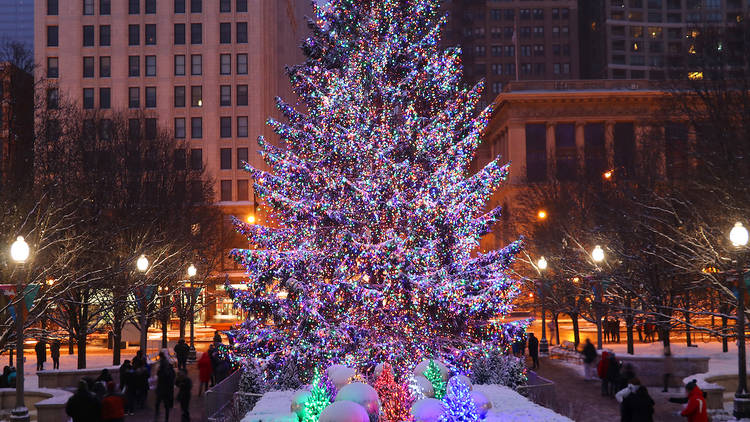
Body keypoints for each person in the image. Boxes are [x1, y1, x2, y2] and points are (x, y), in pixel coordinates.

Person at [154, 352, 176, 422]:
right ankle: (166, 418)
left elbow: (159, 375)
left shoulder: (162, 370)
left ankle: (157, 415)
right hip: (167, 389)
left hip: (162, 389)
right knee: (166, 405)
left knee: (158, 402)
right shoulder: (169, 370)